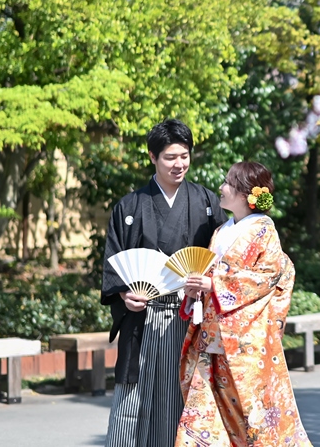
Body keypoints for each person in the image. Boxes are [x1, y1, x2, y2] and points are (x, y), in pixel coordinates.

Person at [101, 119, 227, 447]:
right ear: (152, 156)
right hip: (143, 317)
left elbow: (225, 258)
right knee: (133, 401)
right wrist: (124, 294)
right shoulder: (129, 206)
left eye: (184, 156)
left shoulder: (207, 202)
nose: (179, 164)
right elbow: (115, 262)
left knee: (182, 396)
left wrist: (207, 282)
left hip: (189, 317)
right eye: (170, 157)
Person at [175, 161, 312, 447]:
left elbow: (267, 278)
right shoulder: (222, 230)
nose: (221, 188)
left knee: (253, 419)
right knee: (203, 416)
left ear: (245, 194)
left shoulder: (264, 230)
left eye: (228, 183)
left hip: (246, 342)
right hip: (212, 335)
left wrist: (214, 285)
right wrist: (195, 290)